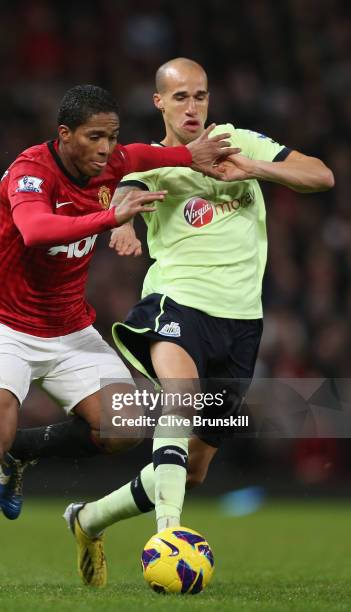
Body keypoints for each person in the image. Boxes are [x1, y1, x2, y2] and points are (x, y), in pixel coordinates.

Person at [0, 83, 238, 591]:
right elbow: (36, 231)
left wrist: (191, 153)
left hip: (70, 328)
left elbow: (143, 153)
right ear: (64, 135)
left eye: (111, 136)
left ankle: (22, 451)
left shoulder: (113, 160)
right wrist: (111, 216)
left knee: (127, 427)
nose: (105, 149)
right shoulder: (29, 173)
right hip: (6, 326)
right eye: (94, 137)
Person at [62, 59, 334, 587]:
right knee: (180, 395)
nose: (192, 107)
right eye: (181, 97)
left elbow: (320, 175)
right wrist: (125, 225)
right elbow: (122, 189)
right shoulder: (155, 160)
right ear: (159, 102)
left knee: (193, 469)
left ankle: (88, 519)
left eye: (201, 96)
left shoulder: (239, 141)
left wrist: (254, 169)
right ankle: (169, 535)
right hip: (177, 302)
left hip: (241, 323)